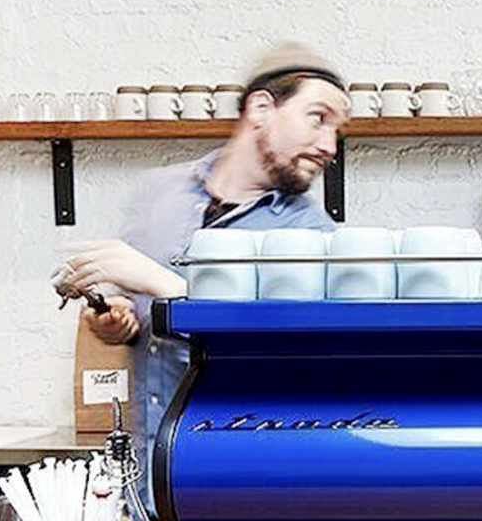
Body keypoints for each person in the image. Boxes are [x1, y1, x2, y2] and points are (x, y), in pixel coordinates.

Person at [57, 43, 350, 484]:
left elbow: (283, 355)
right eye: (318, 118)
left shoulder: (314, 238)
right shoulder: (159, 194)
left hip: (245, 489)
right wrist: (118, 319)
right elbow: (139, 319)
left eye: (338, 130)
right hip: (149, 484)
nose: (329, 145)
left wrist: (160, 282)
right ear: (262, 108)